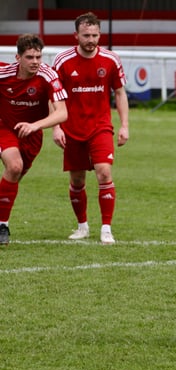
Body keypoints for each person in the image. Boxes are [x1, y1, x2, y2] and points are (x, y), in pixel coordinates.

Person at [52, 12, 129, 245]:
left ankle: (106, 228)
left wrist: (124, 125)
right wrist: (56, 126)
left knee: (104, 172)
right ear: (76, 35)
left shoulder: (111, 60)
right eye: (86, 35)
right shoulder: (62, 60)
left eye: (95, 35)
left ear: (100, 34)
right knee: (77, 180)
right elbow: (53, 95)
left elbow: (119, 93)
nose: (91, 40)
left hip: (100, 126)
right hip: (71, 128)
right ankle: (82, 226)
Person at [0, 34, 68, 245]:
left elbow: (63, 112)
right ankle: (3, 225)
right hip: (5, 128)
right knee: (14, 166)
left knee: (15, 178)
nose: (35, 62)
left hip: (32, 135)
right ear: (18, 57)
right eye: (30, 57)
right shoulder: (3, 73)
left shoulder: (48, 76)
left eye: (38, 56)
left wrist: (36, 126)